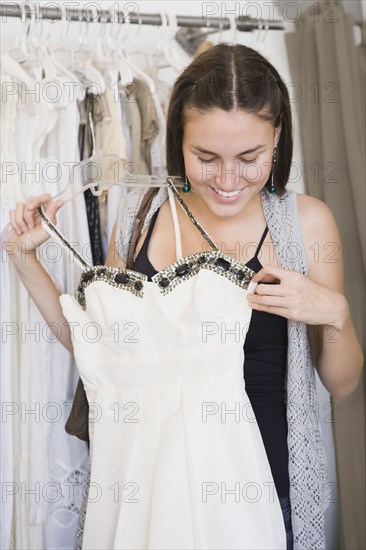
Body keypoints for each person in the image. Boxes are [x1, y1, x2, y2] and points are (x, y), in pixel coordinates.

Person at [6, 43, 363, 550]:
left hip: (265, 491)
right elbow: (100, 352)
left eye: (249, 158)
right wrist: (25, 258)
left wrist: (335, 313)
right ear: (179, 138)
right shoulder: (137, 216)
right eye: (206, 157)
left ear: (278, 136)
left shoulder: (306, 224)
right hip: (151, 493)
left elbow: (342, 384)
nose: (226, 179)